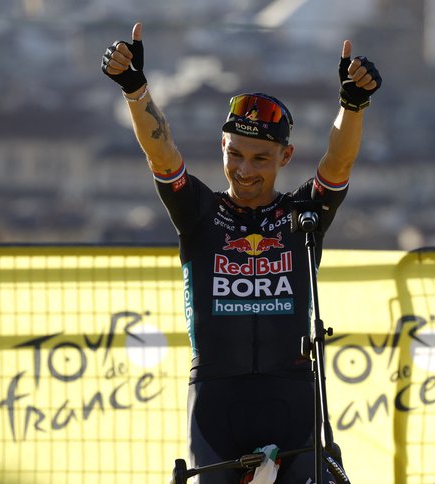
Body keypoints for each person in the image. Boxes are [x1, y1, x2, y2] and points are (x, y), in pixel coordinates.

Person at [101, 21, 381, 483]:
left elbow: (338, 163)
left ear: (285, 157)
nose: (243, 170)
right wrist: (134, 89)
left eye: (260, 158)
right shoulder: (200, 214)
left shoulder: (302, 216)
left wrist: (352, 105)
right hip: (217, 402)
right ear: (222, 148)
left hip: (293, 400)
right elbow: (162, 155)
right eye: (234, 155)